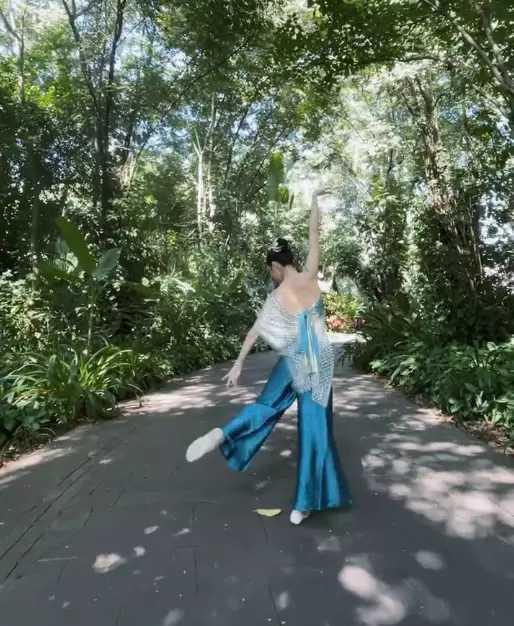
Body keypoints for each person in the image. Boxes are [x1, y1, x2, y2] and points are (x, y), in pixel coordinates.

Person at [185, 189, 352, 525]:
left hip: (292, 360)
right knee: (315, 430)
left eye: (270, 271)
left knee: (265, 406)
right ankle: (303, 505)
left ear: (277, 266)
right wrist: (314, 202)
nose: (271, 277)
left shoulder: (276, 297)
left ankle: (224, 433)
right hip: (317, 364)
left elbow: (254, 332)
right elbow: (314, 233)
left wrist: (238, 364)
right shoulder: (310, 276)